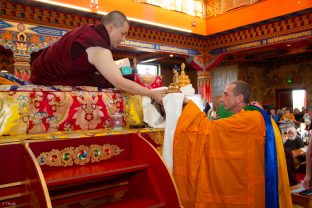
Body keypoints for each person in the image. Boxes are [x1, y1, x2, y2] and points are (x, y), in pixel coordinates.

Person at [173, 81, 292, 208]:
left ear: (239, 97)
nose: (222, 99)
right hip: (245, 182)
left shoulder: (251, 118)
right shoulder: (247, 117)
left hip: (251, 187)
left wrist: (186, 103)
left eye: (225, 95)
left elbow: (207, 129)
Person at [30, 11, 163, 104]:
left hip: (41, 70)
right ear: (110, 28)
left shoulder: (90, 30)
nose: (124, 39)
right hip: (46, 78)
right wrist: (151, 94)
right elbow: (119, 83)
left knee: (113, 77)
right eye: (123, 34)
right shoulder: (98, 47)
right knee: (112, 81)